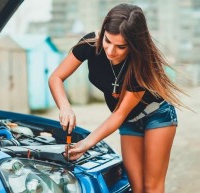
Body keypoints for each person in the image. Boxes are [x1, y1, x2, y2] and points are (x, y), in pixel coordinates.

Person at [48, 3, 187, 193]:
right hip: (129, 122)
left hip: (157, 115)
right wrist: (65, 107)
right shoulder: (90, 44)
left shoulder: (142, 63)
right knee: (136, 188)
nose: (111, 51)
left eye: (121, 46)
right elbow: (56, 77)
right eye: (107, 40)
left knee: (151, 187)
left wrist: (86, 144)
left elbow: (119, 113)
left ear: (134, 44)